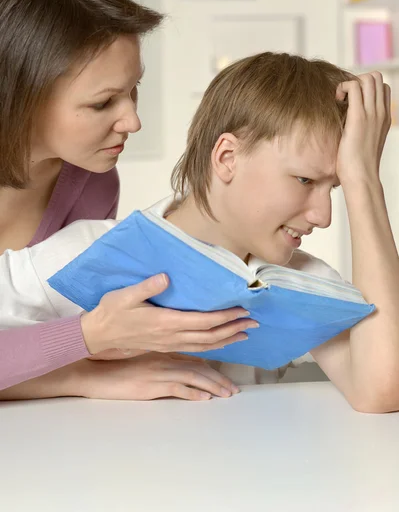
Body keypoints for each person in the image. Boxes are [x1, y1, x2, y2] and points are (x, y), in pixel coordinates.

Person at [1, 51, 397, 413]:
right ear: (227, 157)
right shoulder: (85, 249)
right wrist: (84, 369)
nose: (324, 216)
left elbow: (382, 390)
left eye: (336, 187)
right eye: (305, 179)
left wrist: (364, 181)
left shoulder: (304, 283)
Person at [0, 0, 257, 399]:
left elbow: (49, 342)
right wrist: (83, 369)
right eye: (103, 103)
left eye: (133, 89)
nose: (133, 121)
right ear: (24, 98)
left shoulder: (93, 185)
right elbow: (74, 344)